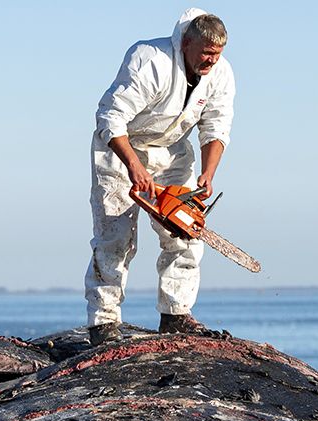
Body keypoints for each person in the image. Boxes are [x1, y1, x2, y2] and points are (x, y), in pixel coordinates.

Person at [84, 9, 234, 345]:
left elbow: (216, 125)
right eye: (206, 52)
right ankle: (103, 322)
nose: (211, 60)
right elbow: (109, 117)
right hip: (122, 147)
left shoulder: (221, 73)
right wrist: (133, 166)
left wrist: (208, 172)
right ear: (186, 42)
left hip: (172, 151)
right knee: (115, 237)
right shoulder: (150, 59)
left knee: (186, 229)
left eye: (217, 54)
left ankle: (176, 314)